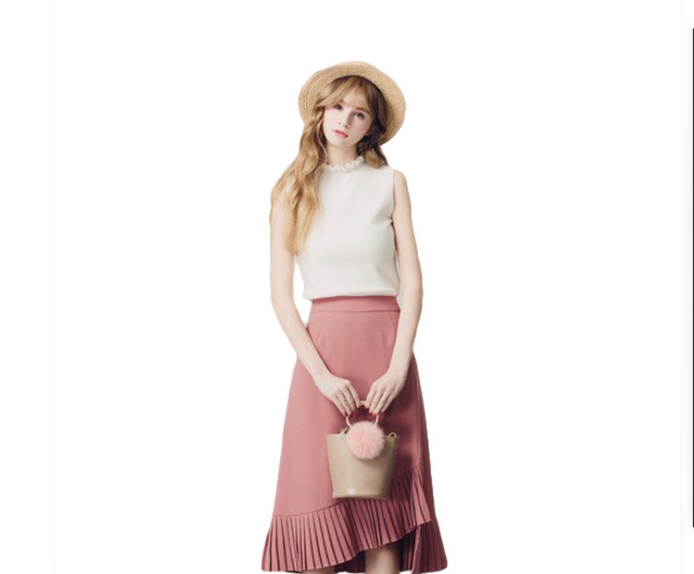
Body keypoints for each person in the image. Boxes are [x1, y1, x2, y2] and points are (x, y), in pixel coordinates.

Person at [261, 61, 448, 574]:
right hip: (321, 359)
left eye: (359, 113)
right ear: (321, 111)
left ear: (372, 127)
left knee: (382, 513)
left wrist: (398, 368)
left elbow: (413, 284)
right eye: (338, 106)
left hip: (386, 353)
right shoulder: (290, 189)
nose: (345, 120)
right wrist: (321, 375)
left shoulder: (391, 182)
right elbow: (280, 296)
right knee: (315, 502)